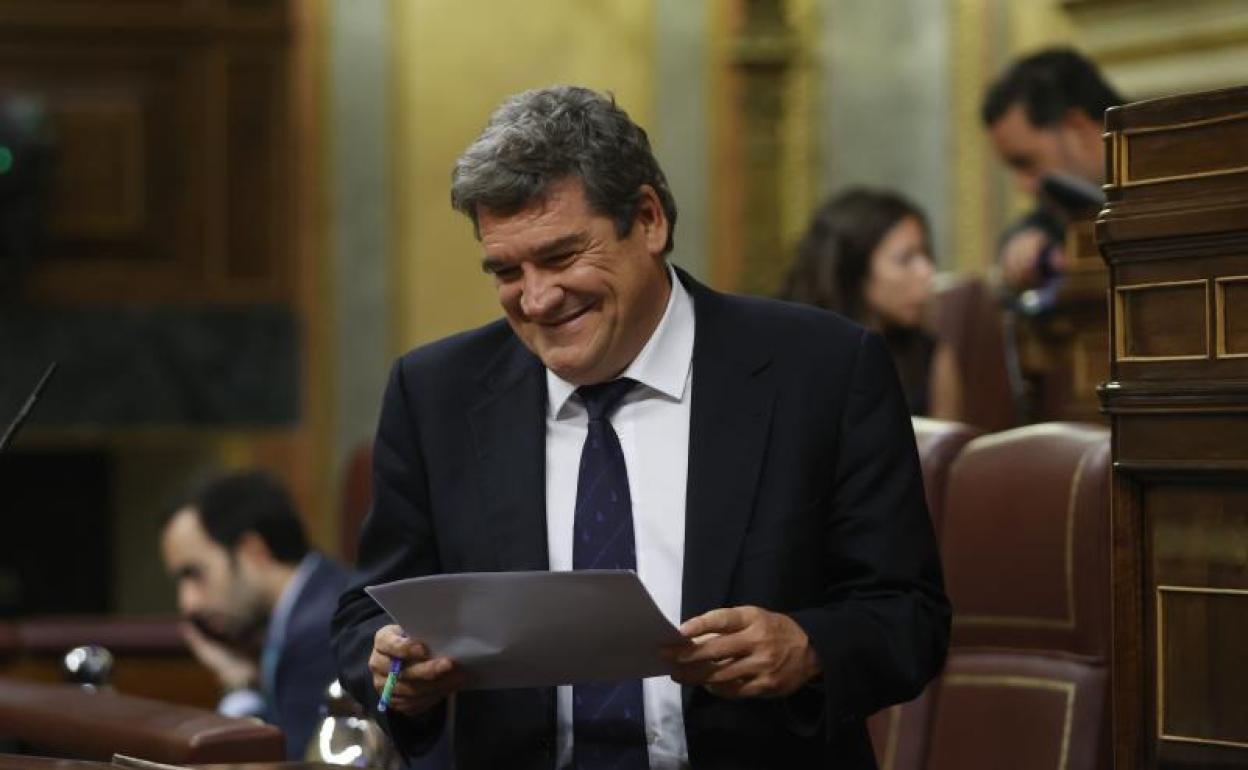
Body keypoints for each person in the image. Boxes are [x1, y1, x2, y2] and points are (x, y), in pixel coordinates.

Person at [332, 85, 949, 769]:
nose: (536, 299)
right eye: (507, 271)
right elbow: (369, 615)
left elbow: (909, 617)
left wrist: (806, 647)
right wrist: (394, 669)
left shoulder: (822, 372)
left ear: (649, 220)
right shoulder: (435, 395)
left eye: (562, 257)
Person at [160, 470, 351, 759]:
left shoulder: (322, 629)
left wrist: (238, 685)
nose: (187, 603)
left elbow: (284, 763)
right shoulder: (307, 606)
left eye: (195, 574)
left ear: (253, 551)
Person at [781, 187, 962, 419]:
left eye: (925, 255)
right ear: (853, 267)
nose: (927, 271)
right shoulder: (792, 349)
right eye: (905, 258)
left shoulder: (932, 357)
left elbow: (946, 449)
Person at [981, 47, 1122, 293]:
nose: (1022, 186)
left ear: (1078, 128)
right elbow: (1031, 229)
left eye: (1026, 162)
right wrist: (1023, 254)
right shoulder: (1051, 221)